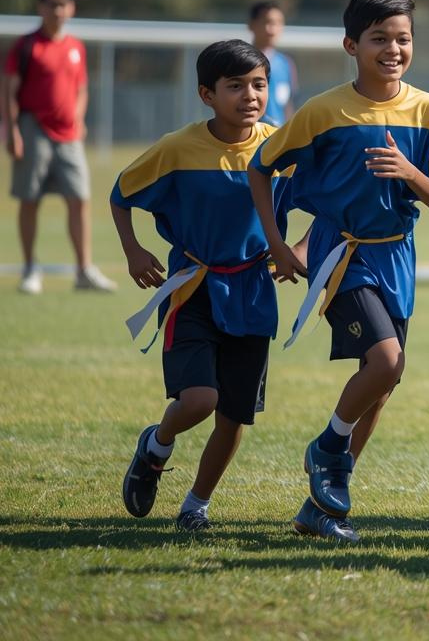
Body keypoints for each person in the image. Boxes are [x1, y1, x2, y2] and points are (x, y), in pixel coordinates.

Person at [249, 0, 429, 543]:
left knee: (383, 384)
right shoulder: (324, 111)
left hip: (399, 257)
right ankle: (328, 450)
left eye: (402, 39)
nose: (392, 49)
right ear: (351, 44)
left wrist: (409, 174)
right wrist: (276, 241)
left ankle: (321, 508)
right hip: (342, 256)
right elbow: (261, 165)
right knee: (386, 362)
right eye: (379, 39)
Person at [114, 40, 293, 532]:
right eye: (235, 86)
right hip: (193, 289)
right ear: (206, 94)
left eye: (259, 84)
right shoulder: (178, 147)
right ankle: (156, 445)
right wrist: (133, 249)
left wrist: (292, 247)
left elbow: (324, 199)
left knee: (234, 415)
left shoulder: (278, 145)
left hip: (254, 292)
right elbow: (121, 192)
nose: (250, 95)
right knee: (200, 399)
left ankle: (196, 505)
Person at [3, 0, 117, 294]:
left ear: (72, 8)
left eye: (63, 4)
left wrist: (79, 120)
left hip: (69, 136)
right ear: (41, 8)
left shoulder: (76, 48)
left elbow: (81, 89)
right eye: (51, 4)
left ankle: (84, 270)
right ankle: (29, 269)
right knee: (30, 200)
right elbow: (10, 90)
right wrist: (12, 129)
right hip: (32, 129)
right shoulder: (26, 46)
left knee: (80, 199)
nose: (58, 10)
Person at [248, 0, 297, 127]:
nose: (273, 29)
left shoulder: (285, 64)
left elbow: (287, 103)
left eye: (278, 23)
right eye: (267, 22)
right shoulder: (241, 61)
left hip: (276, 137)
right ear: (252, 25)